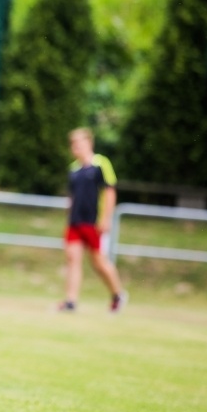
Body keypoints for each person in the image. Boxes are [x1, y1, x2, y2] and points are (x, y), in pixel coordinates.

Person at [59, 127, 127, 313]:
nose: (75, 147)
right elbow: (72, 197)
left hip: (93, 222)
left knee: (99, 263)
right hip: (75, 222)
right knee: (73, 259)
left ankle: (117, 294)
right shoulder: (73, 169)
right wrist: (68, 217)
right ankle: (71, 301)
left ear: (89, 143)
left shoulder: (101, 164)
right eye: (73, 144)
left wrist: (106, 219)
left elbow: (110, 192)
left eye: (78, 143)